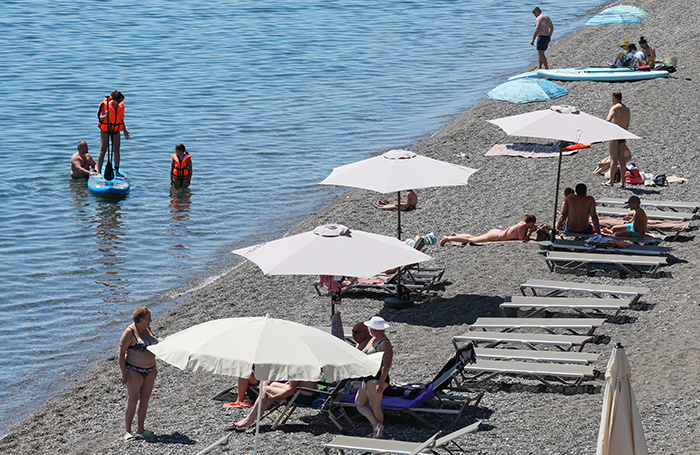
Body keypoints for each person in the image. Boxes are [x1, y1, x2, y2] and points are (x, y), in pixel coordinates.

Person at [118, 306, 158, 441]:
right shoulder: (130, 332)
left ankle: (140, 428)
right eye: (148, 318)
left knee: (145, 398)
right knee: (133, 399)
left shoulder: (147, 329)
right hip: (134, 370)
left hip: (150, 370)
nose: (150, 321)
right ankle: (127, 431)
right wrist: (124, 373)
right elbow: (121, 353)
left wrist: (155, 367)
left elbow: (153, 350)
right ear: (141, 319)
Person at [355, 316, 393, 439]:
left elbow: (386, 365)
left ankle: (377, 432)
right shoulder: (372, 340)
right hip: (367, 376)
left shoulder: (385, 344)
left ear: (373, 329)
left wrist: (381, 383)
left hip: (377, 377)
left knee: (374, 405)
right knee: (359, 403)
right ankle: (376, 426)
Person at [227, 380, 318, 430]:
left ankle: (249, 419)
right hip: (310, 394)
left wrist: (274, 398)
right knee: (274, 384)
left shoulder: (297, 367)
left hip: (302, 397)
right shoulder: (308, 364)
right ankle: (260, 411)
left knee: (266, 389)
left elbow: (291, 391)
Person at [439, 214, 537, 246]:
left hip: (497, 233)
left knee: (475, 238)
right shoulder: (522, 227)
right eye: (532, 224)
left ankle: (456, 235)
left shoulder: (522, 224)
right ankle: (447, 238)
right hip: (496, 236)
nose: (533, 226)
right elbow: (521, 239)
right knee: (472, 240)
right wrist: (530, 232)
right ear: (529, 223)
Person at [97, 90, 131, 177]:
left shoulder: (121, 106)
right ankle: (99, 172)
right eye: (119, 101)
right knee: (103, 150)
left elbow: (121, 120)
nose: (120, 103)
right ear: (114, 100)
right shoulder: (105, 105)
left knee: (116, 150)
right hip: (105, 129)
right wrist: (106, 115)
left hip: (116, 130)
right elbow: (101, 118)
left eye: (121, 101)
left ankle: (116, 170)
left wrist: (125, 131)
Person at [604, 91, 632, 187]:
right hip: (623, 134)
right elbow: (628, 122)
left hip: (614, 134)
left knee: (614, 159)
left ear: (614, 98)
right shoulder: (627, 108)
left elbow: (608, 118)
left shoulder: (615, 108)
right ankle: (623, 182)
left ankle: (611, 181)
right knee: (622, 159)